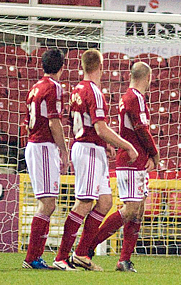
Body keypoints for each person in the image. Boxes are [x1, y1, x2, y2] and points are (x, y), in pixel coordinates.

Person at [52, 49, 138, 271]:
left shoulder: (77, 89)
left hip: (92, 147)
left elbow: (86, 124)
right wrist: (126, 145)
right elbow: (100, 127)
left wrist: (106, 145)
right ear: (100, 66)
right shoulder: (94, 92)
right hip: (88, 150)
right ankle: (61, 257)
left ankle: (82, 254)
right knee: (84, 202)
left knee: (105, 202)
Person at [85, 62, 159, 273]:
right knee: (130, 210)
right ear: (149, 77)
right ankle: (88, 247)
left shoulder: (131, 97)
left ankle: (124, 260)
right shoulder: (134, 97)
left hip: (138, 161)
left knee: (138, 212)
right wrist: (155, 154)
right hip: (131, 160)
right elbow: (142, 130)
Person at [22, 49, 69, 269]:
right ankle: (32, 258)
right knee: (48, 203)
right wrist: (64, 150)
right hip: (42, 146)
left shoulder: (35, 87)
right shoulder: (54, 87)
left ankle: (35, 257)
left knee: (48, 202)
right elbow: (54, 122)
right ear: (62, 67)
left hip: (35, 144)